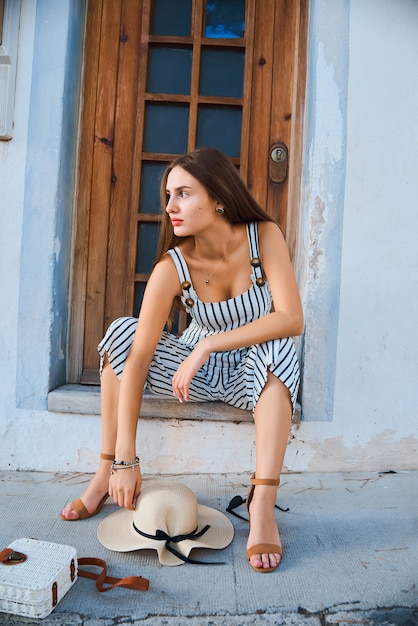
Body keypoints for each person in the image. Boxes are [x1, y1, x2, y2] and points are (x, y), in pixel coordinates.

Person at [61, 147, 304, 573]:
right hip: (197, 376)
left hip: (256, 373)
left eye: (184, 193)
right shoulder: (173, 267)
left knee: (280, 344)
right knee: (122, 331)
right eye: (168, 195)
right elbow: (136, 361)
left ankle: (262, 500)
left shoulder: (263, 236)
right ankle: (103, 474)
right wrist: (125, 460)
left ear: (219, 197)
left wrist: (209, 344)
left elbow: (291, 318)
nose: (171, 206)